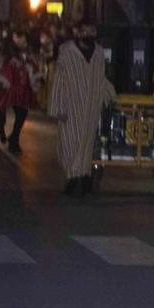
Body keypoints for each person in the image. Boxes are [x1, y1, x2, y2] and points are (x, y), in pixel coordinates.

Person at [49, 26, 114, 196]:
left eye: (91, 31)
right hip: (70, 106)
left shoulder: (98, 54)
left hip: (90, 107)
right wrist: (58, 107)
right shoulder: (67, 53)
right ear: (78, 33)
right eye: (85, 31)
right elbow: (59, 81)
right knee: (69, 144)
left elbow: (101, 77)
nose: (88, 34)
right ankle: (74, 176)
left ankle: (79, 178)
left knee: (85, 144)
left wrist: (108, 95)